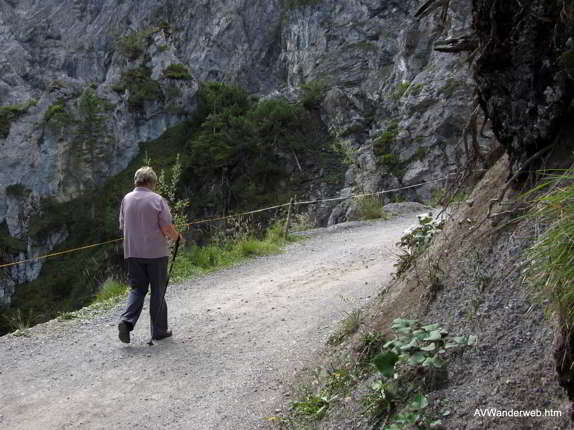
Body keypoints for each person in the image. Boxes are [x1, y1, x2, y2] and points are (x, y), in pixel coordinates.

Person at [117, 166, 183, 344]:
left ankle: (127, 321)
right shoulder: (157, 200)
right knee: (158, 290)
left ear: (136, 181)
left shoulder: (126, 199)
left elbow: (123, 226)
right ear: (151, 182)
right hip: (155, 253)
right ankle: (159, 331)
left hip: (132, 252)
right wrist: (177, 238)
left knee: (137, 289)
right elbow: (167, 228)